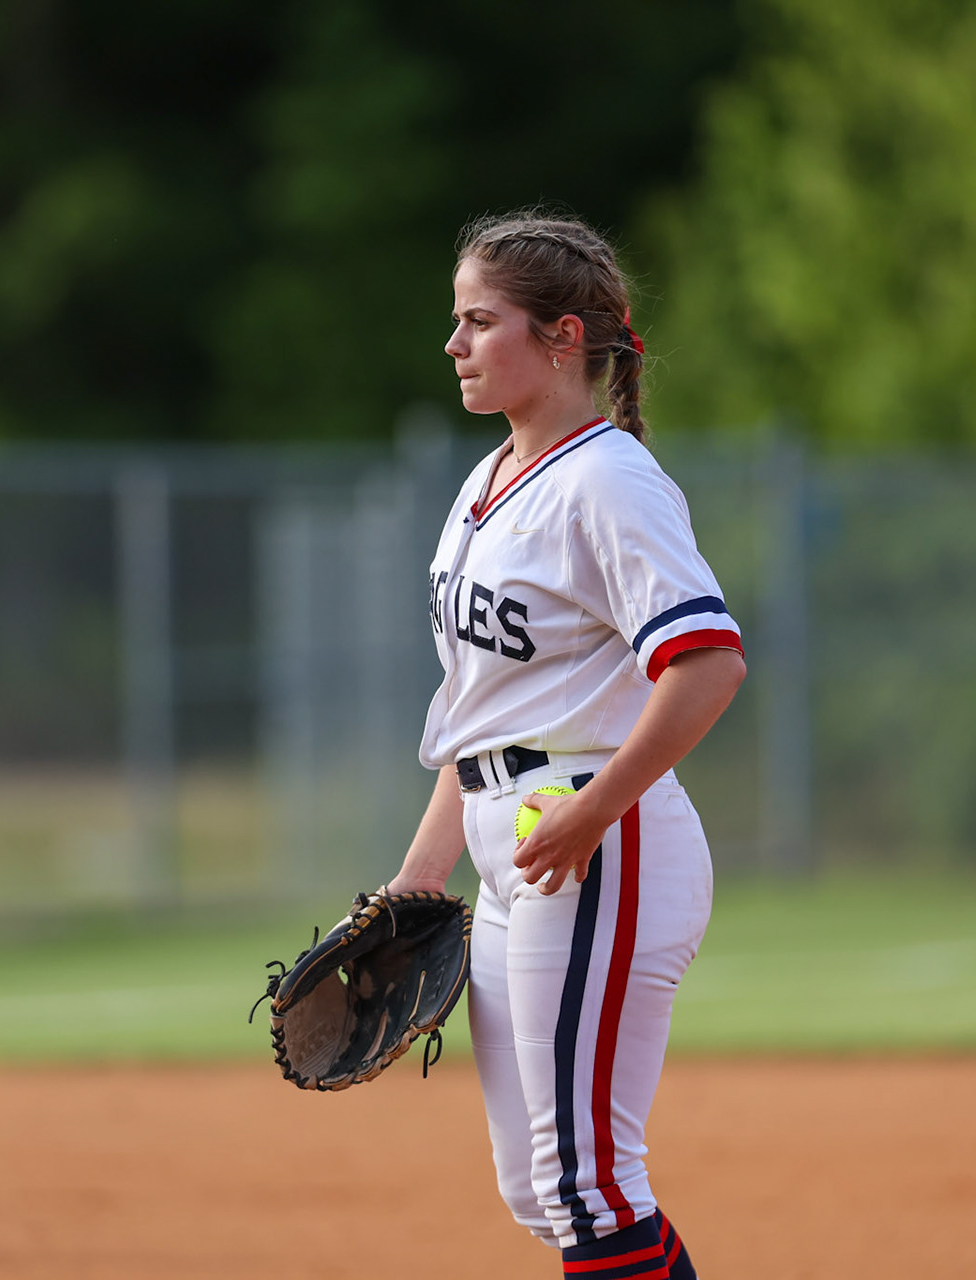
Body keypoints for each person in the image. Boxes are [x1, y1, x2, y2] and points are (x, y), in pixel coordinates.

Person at [385, 211, 745, 1278]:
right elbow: (480, 713)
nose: (454, 343)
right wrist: (419, 875)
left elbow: (709, 664)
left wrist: (601, 806)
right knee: (543, 1190)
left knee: (588, 1182)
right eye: (456, 320)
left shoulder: (609, 481)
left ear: (563, 336)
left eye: (479, 320)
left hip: (596, 838)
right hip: (512, 839)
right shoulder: (487, 482)